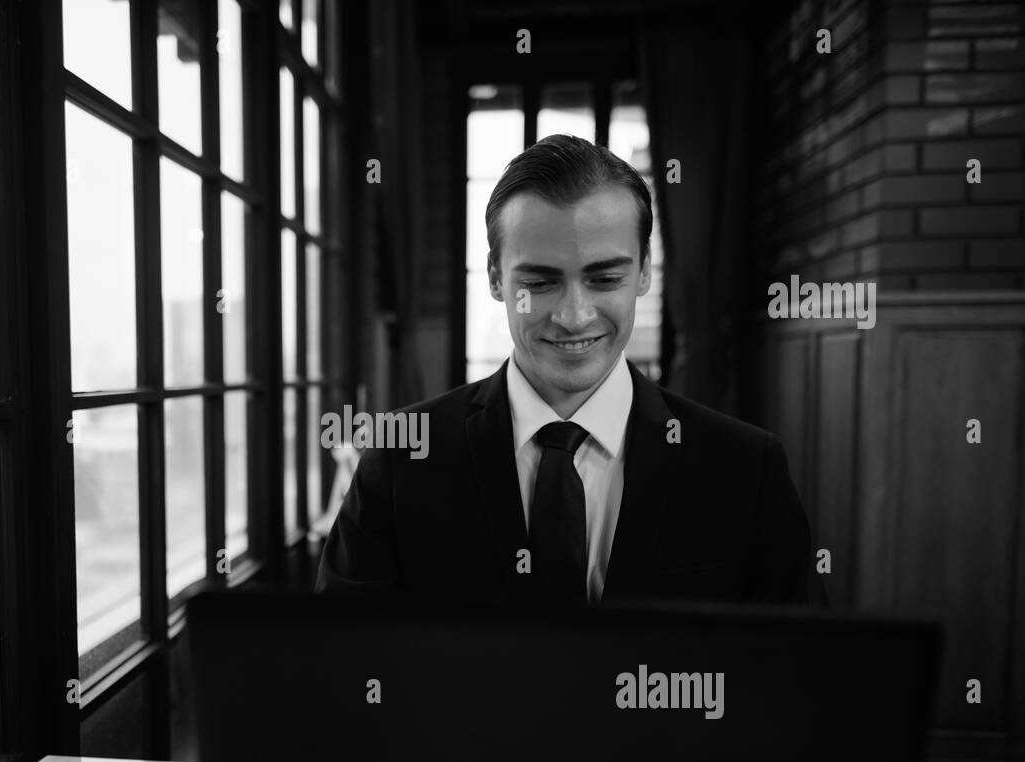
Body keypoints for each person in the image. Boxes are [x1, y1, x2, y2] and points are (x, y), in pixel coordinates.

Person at [317, 134, 826, 608]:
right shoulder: (398, 459)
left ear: (645, 271)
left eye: (604, 278)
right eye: (539, 282)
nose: (573, 317)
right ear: (496, 276)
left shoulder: (745, 469)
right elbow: (346, 666)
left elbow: (791, 676)